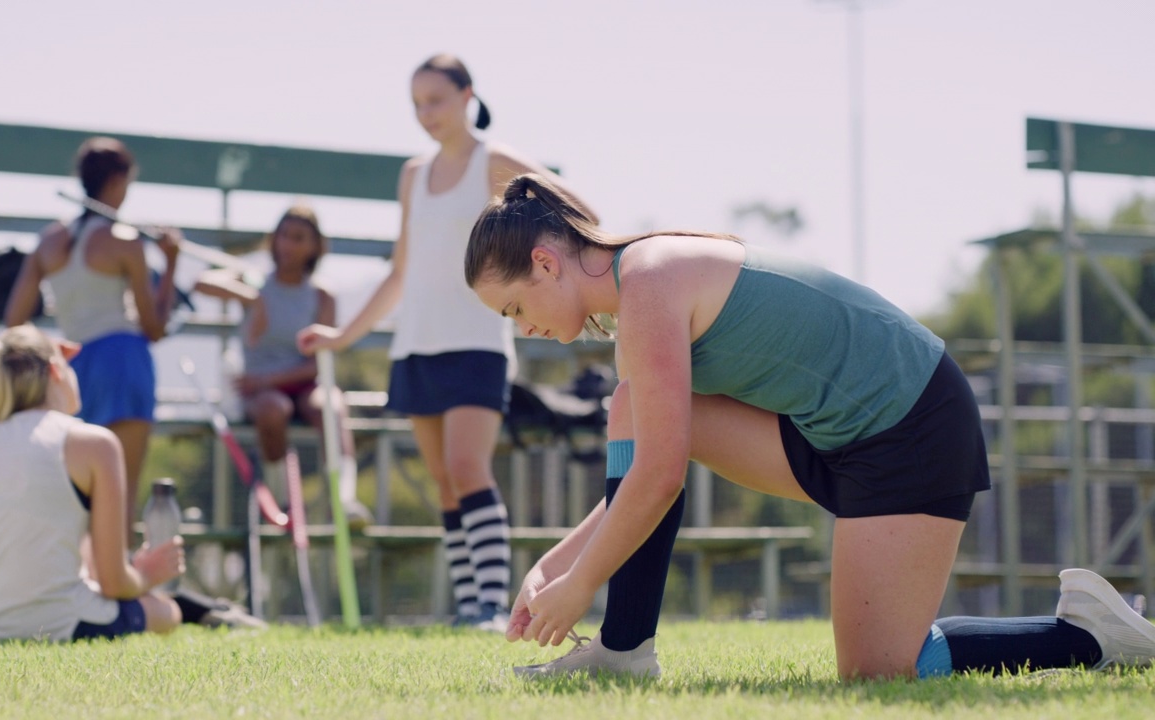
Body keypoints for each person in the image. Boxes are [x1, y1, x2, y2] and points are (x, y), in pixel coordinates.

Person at [463, 173, 1155, 679]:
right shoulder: (633, 298)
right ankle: (623, 652)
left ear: (546, 264)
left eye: (515, 310)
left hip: (914, 426)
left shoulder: (647, 281)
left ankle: (1085, 634)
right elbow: (651, 458)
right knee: (629, 405)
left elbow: (661, 474)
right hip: (831, 436)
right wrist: (559, 562)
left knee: (883, 672)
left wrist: (582, 581)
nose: (525, 330)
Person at [297, 54, 597, 630]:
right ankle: (470, 606)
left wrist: (539, 274)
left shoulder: (497, 162)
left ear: (466, 96)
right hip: (415, 345)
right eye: (416, 104)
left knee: (467, 467)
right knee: (443, 480)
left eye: (435, 100)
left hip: (477, 344)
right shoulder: (413, 174)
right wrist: (343, 335)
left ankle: (491, 605)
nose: (426, 114)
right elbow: (400, 271)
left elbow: (580, 211)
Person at [0, 325, 185, 640]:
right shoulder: (96, 443)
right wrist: (148, 573)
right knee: (166, 612)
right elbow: (113, 583)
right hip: (51, 624)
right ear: (55, 370)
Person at [5, 136, 181, 526]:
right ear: (117, 182)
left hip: (71, 369)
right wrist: (170, 263)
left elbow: (13, 322)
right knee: (120, 503)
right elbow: (154, 326)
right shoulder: (124, 241)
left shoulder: (50, 241)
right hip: (123, 363)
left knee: (76, 507)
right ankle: (119, 586)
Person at [194, 203, 373, 528]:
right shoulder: (253, 281)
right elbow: (202, 282)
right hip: (260, 392)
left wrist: (268, 380)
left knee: (331, 406)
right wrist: (252, 299)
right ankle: (282, 500)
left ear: (314, 246)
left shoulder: (322, 296)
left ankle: (343, 499)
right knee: (272, 410)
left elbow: (317, 364)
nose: (288, 245)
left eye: (299, 238)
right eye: (284, 236)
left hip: (299, 384)